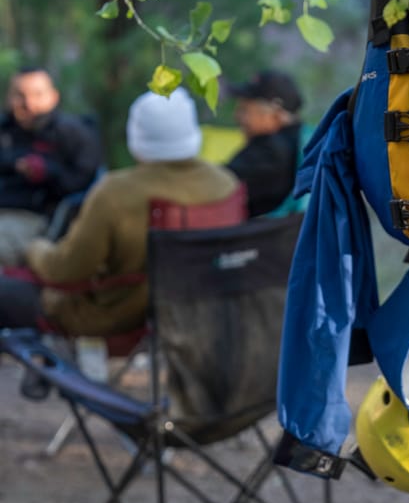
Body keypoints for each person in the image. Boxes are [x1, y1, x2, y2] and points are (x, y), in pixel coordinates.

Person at [0, 86, 239, 336]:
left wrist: (34, 250)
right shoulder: (225, 183)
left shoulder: (115, 193)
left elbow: (66, 271)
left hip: (117, 318)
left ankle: (46, 373)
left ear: (136, 135)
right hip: (193, 313)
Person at [0, 66, 102, 265]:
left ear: (53, 96)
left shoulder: (74, 133)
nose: (28, 104)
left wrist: (47, 172)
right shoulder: (4, 131)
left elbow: (87, 182)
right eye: (20, 96)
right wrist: (13, 165)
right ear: (8, 98)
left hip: (37, 220)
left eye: (37, 95)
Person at [225, 70, 306, 217]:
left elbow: (219, 184)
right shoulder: (300, 141)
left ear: (275, 114)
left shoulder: (269, 151)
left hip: (258, 238)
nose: (237, 116)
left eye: (244, 110)